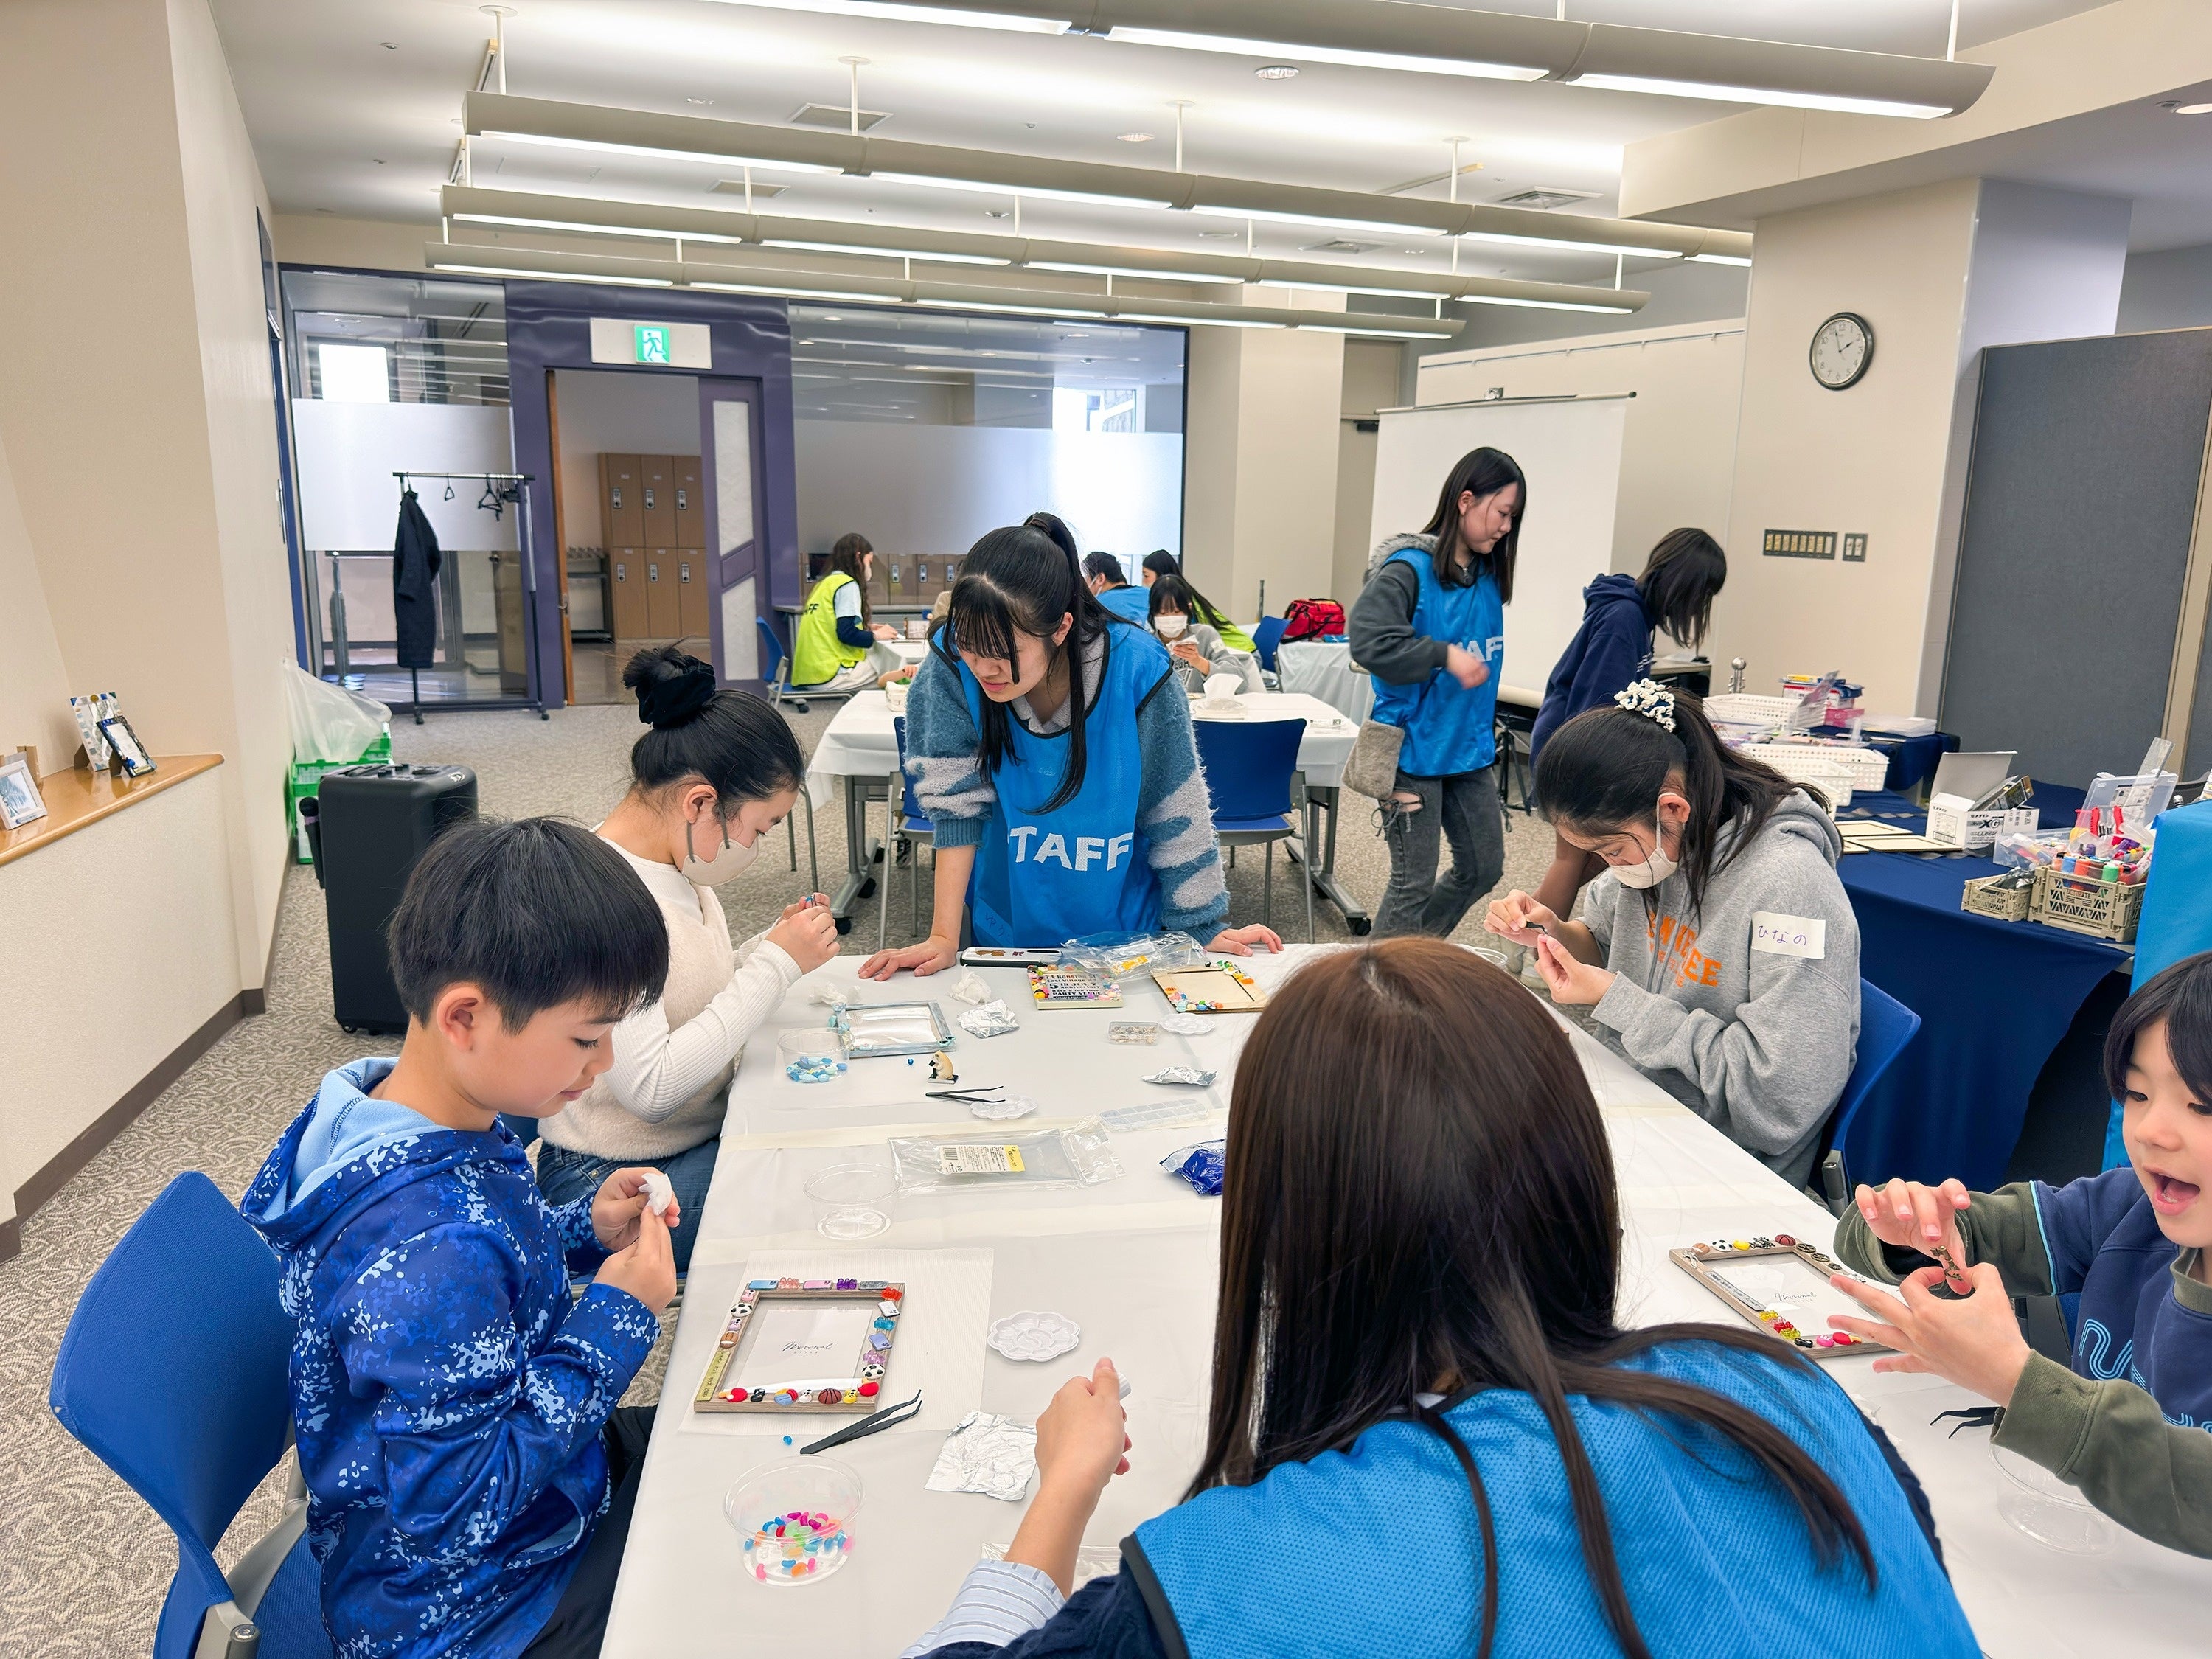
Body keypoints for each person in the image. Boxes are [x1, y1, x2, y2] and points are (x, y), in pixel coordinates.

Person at [898, 939, 1973, 1659]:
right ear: (1572, 1180)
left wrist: (1063, 1490)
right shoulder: (1788, 1397)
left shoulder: (1251, 1572)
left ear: (1290, 1231)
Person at [242, 818, 681, 1659]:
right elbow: (460, 1511)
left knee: (727, 1442)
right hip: (479, 1605)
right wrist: (615, 1320)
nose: (602, 1064)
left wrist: (581, 1232)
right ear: (466, 1017)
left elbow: (481, 1272)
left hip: (524, 1498)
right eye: (586, 1038)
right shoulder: (429, 1249)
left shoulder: (393, 1113)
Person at [1829, 950, 2212, 1558]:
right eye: (2138, 1094)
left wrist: (2021, 1385)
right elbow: (1973, 1231)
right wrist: (1913, 1228)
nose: (2150, 1131)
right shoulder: (2127, 1210)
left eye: (2203, 1105)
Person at [858, 520, 1280, 976]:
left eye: (1003, 652)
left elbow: (1175, 806)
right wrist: (943, 937)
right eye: (970, 646)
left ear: (1060, 628)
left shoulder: (1138, 668)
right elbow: (955, 807)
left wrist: (1200, 924)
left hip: (1126, 929)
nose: (983, 668)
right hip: (1011, 921)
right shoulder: (949, 662)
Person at [532, 647, 839, 1272]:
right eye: (760, 828)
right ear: (700, 803)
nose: (755, 846)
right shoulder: (608, 896)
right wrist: (775, 966)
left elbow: (689, 990)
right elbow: (651, 1087)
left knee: (811, 1138)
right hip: (608, 1176)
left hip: (678, 1144)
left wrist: (768, 946)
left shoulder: (672, 861)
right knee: (808, 1191)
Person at [1486, 681, 1860, 1188]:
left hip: (1718, 1161)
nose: (1609, 867)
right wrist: (1554, 935)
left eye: (1612, 851)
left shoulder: (1789, 886)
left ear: (1673, 810)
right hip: (1631, 1102)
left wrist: (1621, 1003)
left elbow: (1777, 1103)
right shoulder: (1663, 848)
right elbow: (1607, 944)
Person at [1349, 445, 1520, 940]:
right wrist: (1443, 654)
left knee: (1483, 867)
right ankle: (1378, 981)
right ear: (1465, 501)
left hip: (1468, 751)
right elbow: (1368, 641)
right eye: (1502, 512)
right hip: (1412, 752)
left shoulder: (1486, 575)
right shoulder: (1409, 570)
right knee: (1413, 883)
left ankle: (1413, 958)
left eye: (1513, 516)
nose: (1506, 526)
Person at [1529, 528, 1729, 922]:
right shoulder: (1624, 617)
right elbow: (1595, 705)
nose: (1701, 606)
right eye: (1704, 594)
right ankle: (1535, 942)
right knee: (1572, 860)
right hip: (1577, 754)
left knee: (1591, 859)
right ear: (1686, 586)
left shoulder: (1637, 616)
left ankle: (1529, 931)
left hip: (1584, 746)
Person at [793, 531, 898, 690]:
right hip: (830, 674)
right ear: (858, 557)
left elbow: (829, 625)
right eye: (869, 562)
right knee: (892, 670)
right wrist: (877, 635)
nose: (870, 568)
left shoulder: (825, 584)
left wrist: (867, 629)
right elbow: (846, 634)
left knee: (880, 663)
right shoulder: (847, 584)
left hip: (809, 675)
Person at [1149, 574, 1262, 694]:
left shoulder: (1204, 635)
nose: (1170, 618)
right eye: (1162, 613)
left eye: (1177, 611)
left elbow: (1240, 683)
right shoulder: (1148, 643)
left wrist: (1200, 663)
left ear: (1189, 608)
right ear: (1153, 612)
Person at [1140, 549, 1257, 651]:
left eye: (1146, 576)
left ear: (1162, 575)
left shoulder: (1182, 599)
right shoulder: (1182, 594)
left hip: (1240, 652)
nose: (1143, 582)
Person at [1082, 550, 1152, 625]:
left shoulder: (1098, 606)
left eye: (1085, 579)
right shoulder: (1149, 594)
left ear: (1100, 579)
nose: (1083, 586)